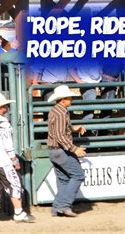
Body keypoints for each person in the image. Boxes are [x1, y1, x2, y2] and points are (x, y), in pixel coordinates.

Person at [0, 93, 36, 223]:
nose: (7, 107)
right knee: (15, 184)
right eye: (5, 105)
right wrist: (14, 159)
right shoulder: (2, 122)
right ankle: (18, 213)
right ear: (1, 107)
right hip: (1, 159)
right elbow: (7, 143)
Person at [47, 85, 87, 217]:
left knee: (64, 179)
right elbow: (60, 135)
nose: (72, 100)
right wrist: (74, 149)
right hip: (61, 151)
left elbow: (59, 130)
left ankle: (57, 208)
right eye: (70, 98)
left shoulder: (56, 111)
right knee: (78, 175)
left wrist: (74, 129)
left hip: (54, 151)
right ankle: (64, 206)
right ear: (63, 100)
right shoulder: (61, 113)